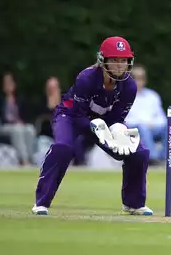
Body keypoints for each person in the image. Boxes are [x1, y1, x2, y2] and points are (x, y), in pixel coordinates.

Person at [32, 36, 152, 216]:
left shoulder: (129, 87)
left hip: (104, 123)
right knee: (63, 148)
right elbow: (79, 114)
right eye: (115, 60)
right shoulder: (86, 78)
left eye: (123, 60)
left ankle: (133, 203)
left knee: (138, 152)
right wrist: (96, 127)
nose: (120, 65)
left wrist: (117, 131)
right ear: (103, 61)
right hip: (71, 116)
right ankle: (41, 202)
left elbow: (118, 117)